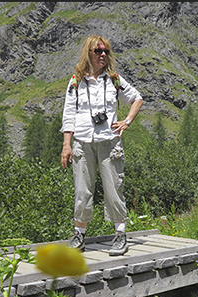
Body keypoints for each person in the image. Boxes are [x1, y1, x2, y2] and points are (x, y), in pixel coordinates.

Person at [60, 35, 143, 255]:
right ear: (88, 53)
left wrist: (126, 121)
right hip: (82, 141)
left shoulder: (114, 79)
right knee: (82, 190)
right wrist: (66, 145)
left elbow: (137, 98)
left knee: (114, 188)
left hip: (109, 141)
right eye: (98, 51)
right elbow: (68, 115)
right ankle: (79, 235)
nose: (103, 55)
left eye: (106, 51)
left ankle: (120, 235)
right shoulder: (76, 81)